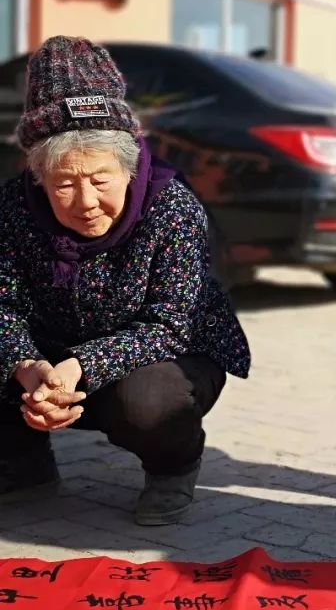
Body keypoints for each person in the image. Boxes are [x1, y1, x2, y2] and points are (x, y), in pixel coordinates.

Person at [0, 36, 251, 525]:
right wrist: (26, 369)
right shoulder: (12, 208)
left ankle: (173, 466)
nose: (85, 202)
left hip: (162, 357)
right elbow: (1, 306)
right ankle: (22, 464)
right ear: (39, 176)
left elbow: (170, 325)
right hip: (53, 356)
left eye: (99, 180)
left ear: (129, 165)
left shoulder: (173, 209)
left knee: (151, 400)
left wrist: (78, 367)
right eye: (64, 184)